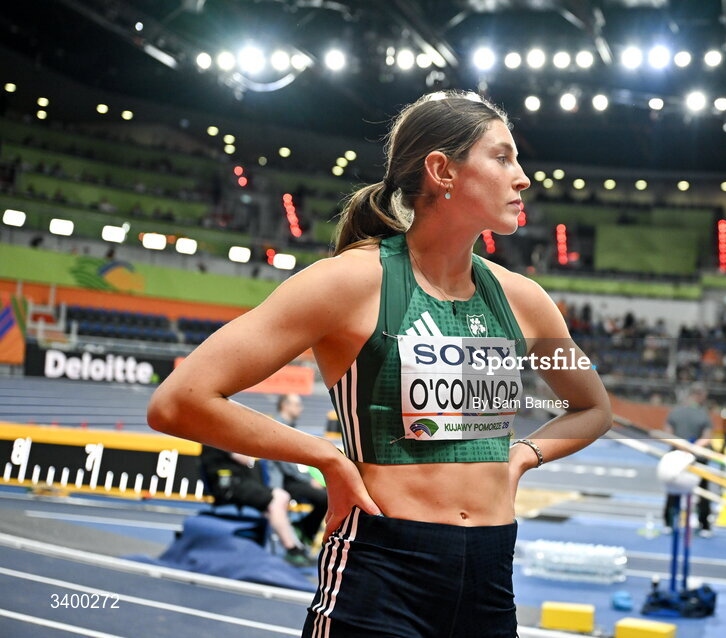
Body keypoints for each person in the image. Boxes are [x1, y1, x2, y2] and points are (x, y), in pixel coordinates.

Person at [148, 90, 611, 638]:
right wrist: (327, 458)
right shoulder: (348, 282)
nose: (523, 177)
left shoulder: (524, 301)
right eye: (502, 156)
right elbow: (180, 400)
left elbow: (591, 407)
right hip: (381, 571)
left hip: (489, 576)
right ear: (442, 170)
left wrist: (522, 456)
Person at [198, 444, 317, 567]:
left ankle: (294, 546)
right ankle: (292, 548)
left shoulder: (221, 434)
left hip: (236, 483)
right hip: (229, 487)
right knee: (278, 499)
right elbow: (244, 458)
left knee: (279, 499)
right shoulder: (219, 434)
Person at [267, 394, 329, 547]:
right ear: (285, 405)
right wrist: (309, 480)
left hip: (292, 478)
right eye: (297, 404)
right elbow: (284, 463)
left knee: (327, 495)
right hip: (283, 482)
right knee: (325, 498)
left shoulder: (290, 427)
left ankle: (303, 530)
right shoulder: (278, 427)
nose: (300, 408)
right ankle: (303, 530)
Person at [662, 383, 714, 537]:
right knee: (703, 492)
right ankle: (704, 526)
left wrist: (682, 447)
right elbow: (707, 439)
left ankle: (668, 523)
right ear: (700, 396)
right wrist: (692, 449)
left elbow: (668, 435)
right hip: (697, 459)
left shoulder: (675, 412)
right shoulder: (704, 414)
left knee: (673, 490)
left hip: (677, 456)